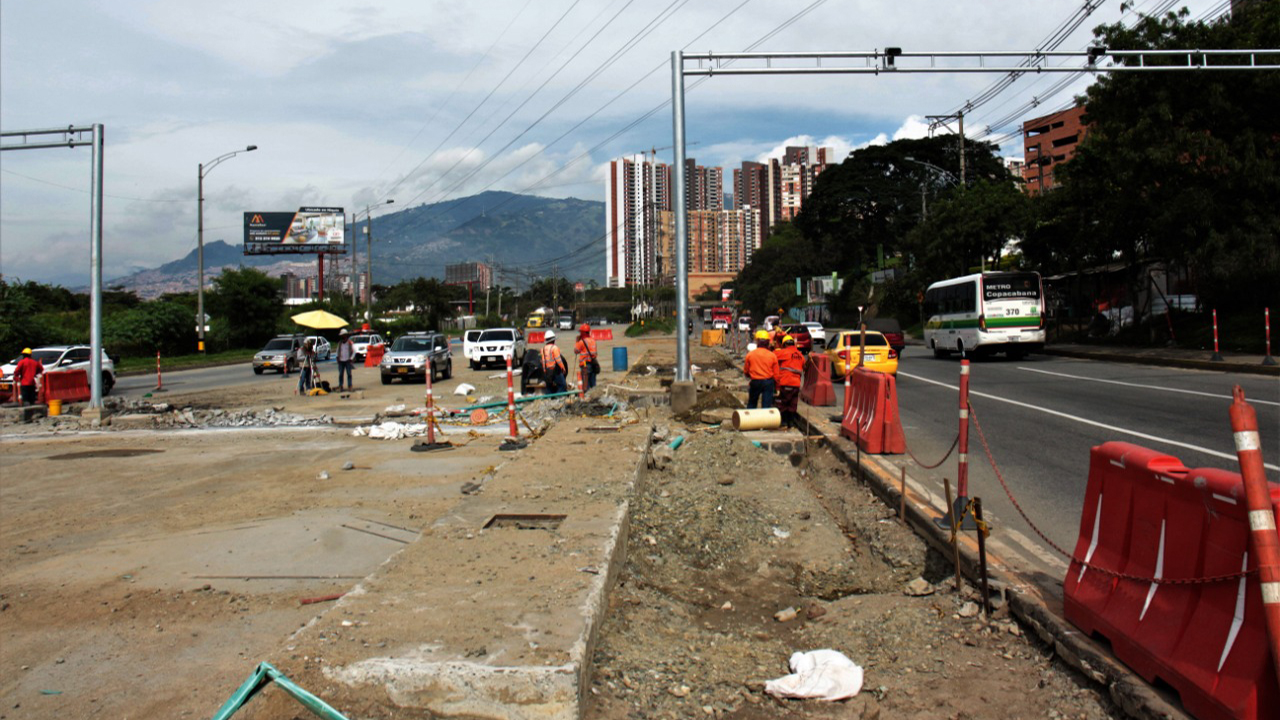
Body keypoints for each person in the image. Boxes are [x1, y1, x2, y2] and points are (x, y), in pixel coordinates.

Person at [773, 334, 805, 429]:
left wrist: (776, 348)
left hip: (785, 382)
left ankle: (783, 422)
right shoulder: (800, 355)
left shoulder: (783, 352)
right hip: (796, 384)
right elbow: (803, 365)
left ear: (784, 345)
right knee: (792, 403)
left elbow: (772, 356)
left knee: (782, 403)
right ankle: (791, 423)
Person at [744, 329, 779, 409]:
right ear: (768, 342)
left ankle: (750, 420)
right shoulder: (772, 356)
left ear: (757, 342)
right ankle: (765, 420)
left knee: (752, 403)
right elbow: (776, 374)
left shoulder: (750, 355)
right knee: (766, 406)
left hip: (755, 381)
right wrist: (777, 387)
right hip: (768, 382)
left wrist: (752, 375)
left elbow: (746, 371)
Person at [574, 323, 599, 392]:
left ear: (582, 333)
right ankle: (594, 395)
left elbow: (576, 351)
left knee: (586, 382)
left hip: (585, 364)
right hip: (593, 363)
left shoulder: (582, 342)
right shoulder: (593, 340)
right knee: (593, 382)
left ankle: (587, 396)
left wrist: (577, 341)